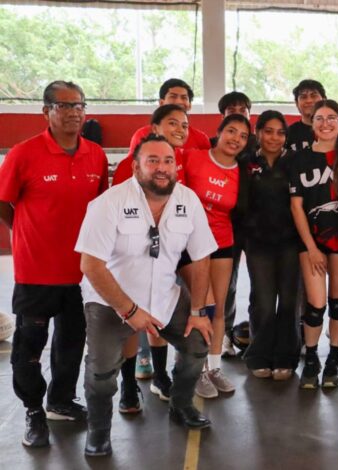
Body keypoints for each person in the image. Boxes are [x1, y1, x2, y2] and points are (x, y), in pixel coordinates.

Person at [76, 134, 217, 457]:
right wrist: (129, 310)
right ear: (136, 166)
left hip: (165, 296)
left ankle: (180, 406)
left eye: (168, 161)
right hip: (110, 301)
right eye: (152, 160)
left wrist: (198, 309)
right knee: (101, 372)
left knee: (198, 345)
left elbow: (202, 256)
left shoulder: (188, 200)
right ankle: (98, 432)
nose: (162, 168)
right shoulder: (109, 203)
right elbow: (91, 265)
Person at [0, 80, 109, 448]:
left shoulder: (95, 155)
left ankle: (60, 401)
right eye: (64, 106)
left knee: (71, 343)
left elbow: (99, 207)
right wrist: (24, 232)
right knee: (29, 346)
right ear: (46, 111)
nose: (74, 112)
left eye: (79, 105)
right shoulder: (23, 153)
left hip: (82, 273)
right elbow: (4, 201)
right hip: (35, 273)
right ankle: (33, 410)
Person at [114, 104, 192, 412]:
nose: (179, 129)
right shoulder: (129, 166)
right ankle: (129, 385)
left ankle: (161, 377)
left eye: (184, 125)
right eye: (172, 123)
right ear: (154, 128)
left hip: (169, 255)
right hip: (134, 255)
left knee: (160, 316)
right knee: (133, 322)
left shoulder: (183, 162)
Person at [289, 100, 338, 389]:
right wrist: (312, 248)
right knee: (315, 305)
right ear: (311, 123)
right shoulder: (300, 159)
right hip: (312, 242)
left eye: (331, 117)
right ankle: (313, 357)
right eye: (319, 118)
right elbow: (296, 207)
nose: (325, 123)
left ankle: (333, 360)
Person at [183, 114, 250, 398]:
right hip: (190, 244)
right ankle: (196, 370)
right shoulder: (193, 158)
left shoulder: (242, 172)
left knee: (219, 308)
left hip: (223, 242)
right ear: (219, 132)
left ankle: (214, 367)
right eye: (231, 131)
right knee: (201, 307)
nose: (236, 139)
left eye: (243, 136)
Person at [240, 111, 300, 381]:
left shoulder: (295, 162)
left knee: (289, 301)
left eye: (280, 132)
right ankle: (258, 354)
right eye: (268, 131)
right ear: (258, 132)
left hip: (290, 242)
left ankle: (286, 356)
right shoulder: (246, 162)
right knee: (263, 302)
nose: (274, 137)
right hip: (258, 243)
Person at [212, 90, 256, 359]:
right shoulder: (211, 148)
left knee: (261, 285)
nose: (238, 111)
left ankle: (259, 334)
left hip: (258, 226)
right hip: (226, 226)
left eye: (243, 108)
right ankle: (225, 334)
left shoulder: (260, 146)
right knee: (226, 285)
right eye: (231, 109)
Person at [128, 78, 211, 152]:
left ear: (189, 105)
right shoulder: (142, 134)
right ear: (161, 103)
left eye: (184, 97)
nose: (179, 101)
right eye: (173, 96)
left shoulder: (201, 139)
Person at [286, 79, 326, 153]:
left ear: (324, 100)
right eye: (303, 97)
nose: (309, 101)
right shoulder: (288, 133)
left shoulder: (334, 129)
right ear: (296, 103)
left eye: (313, 96)